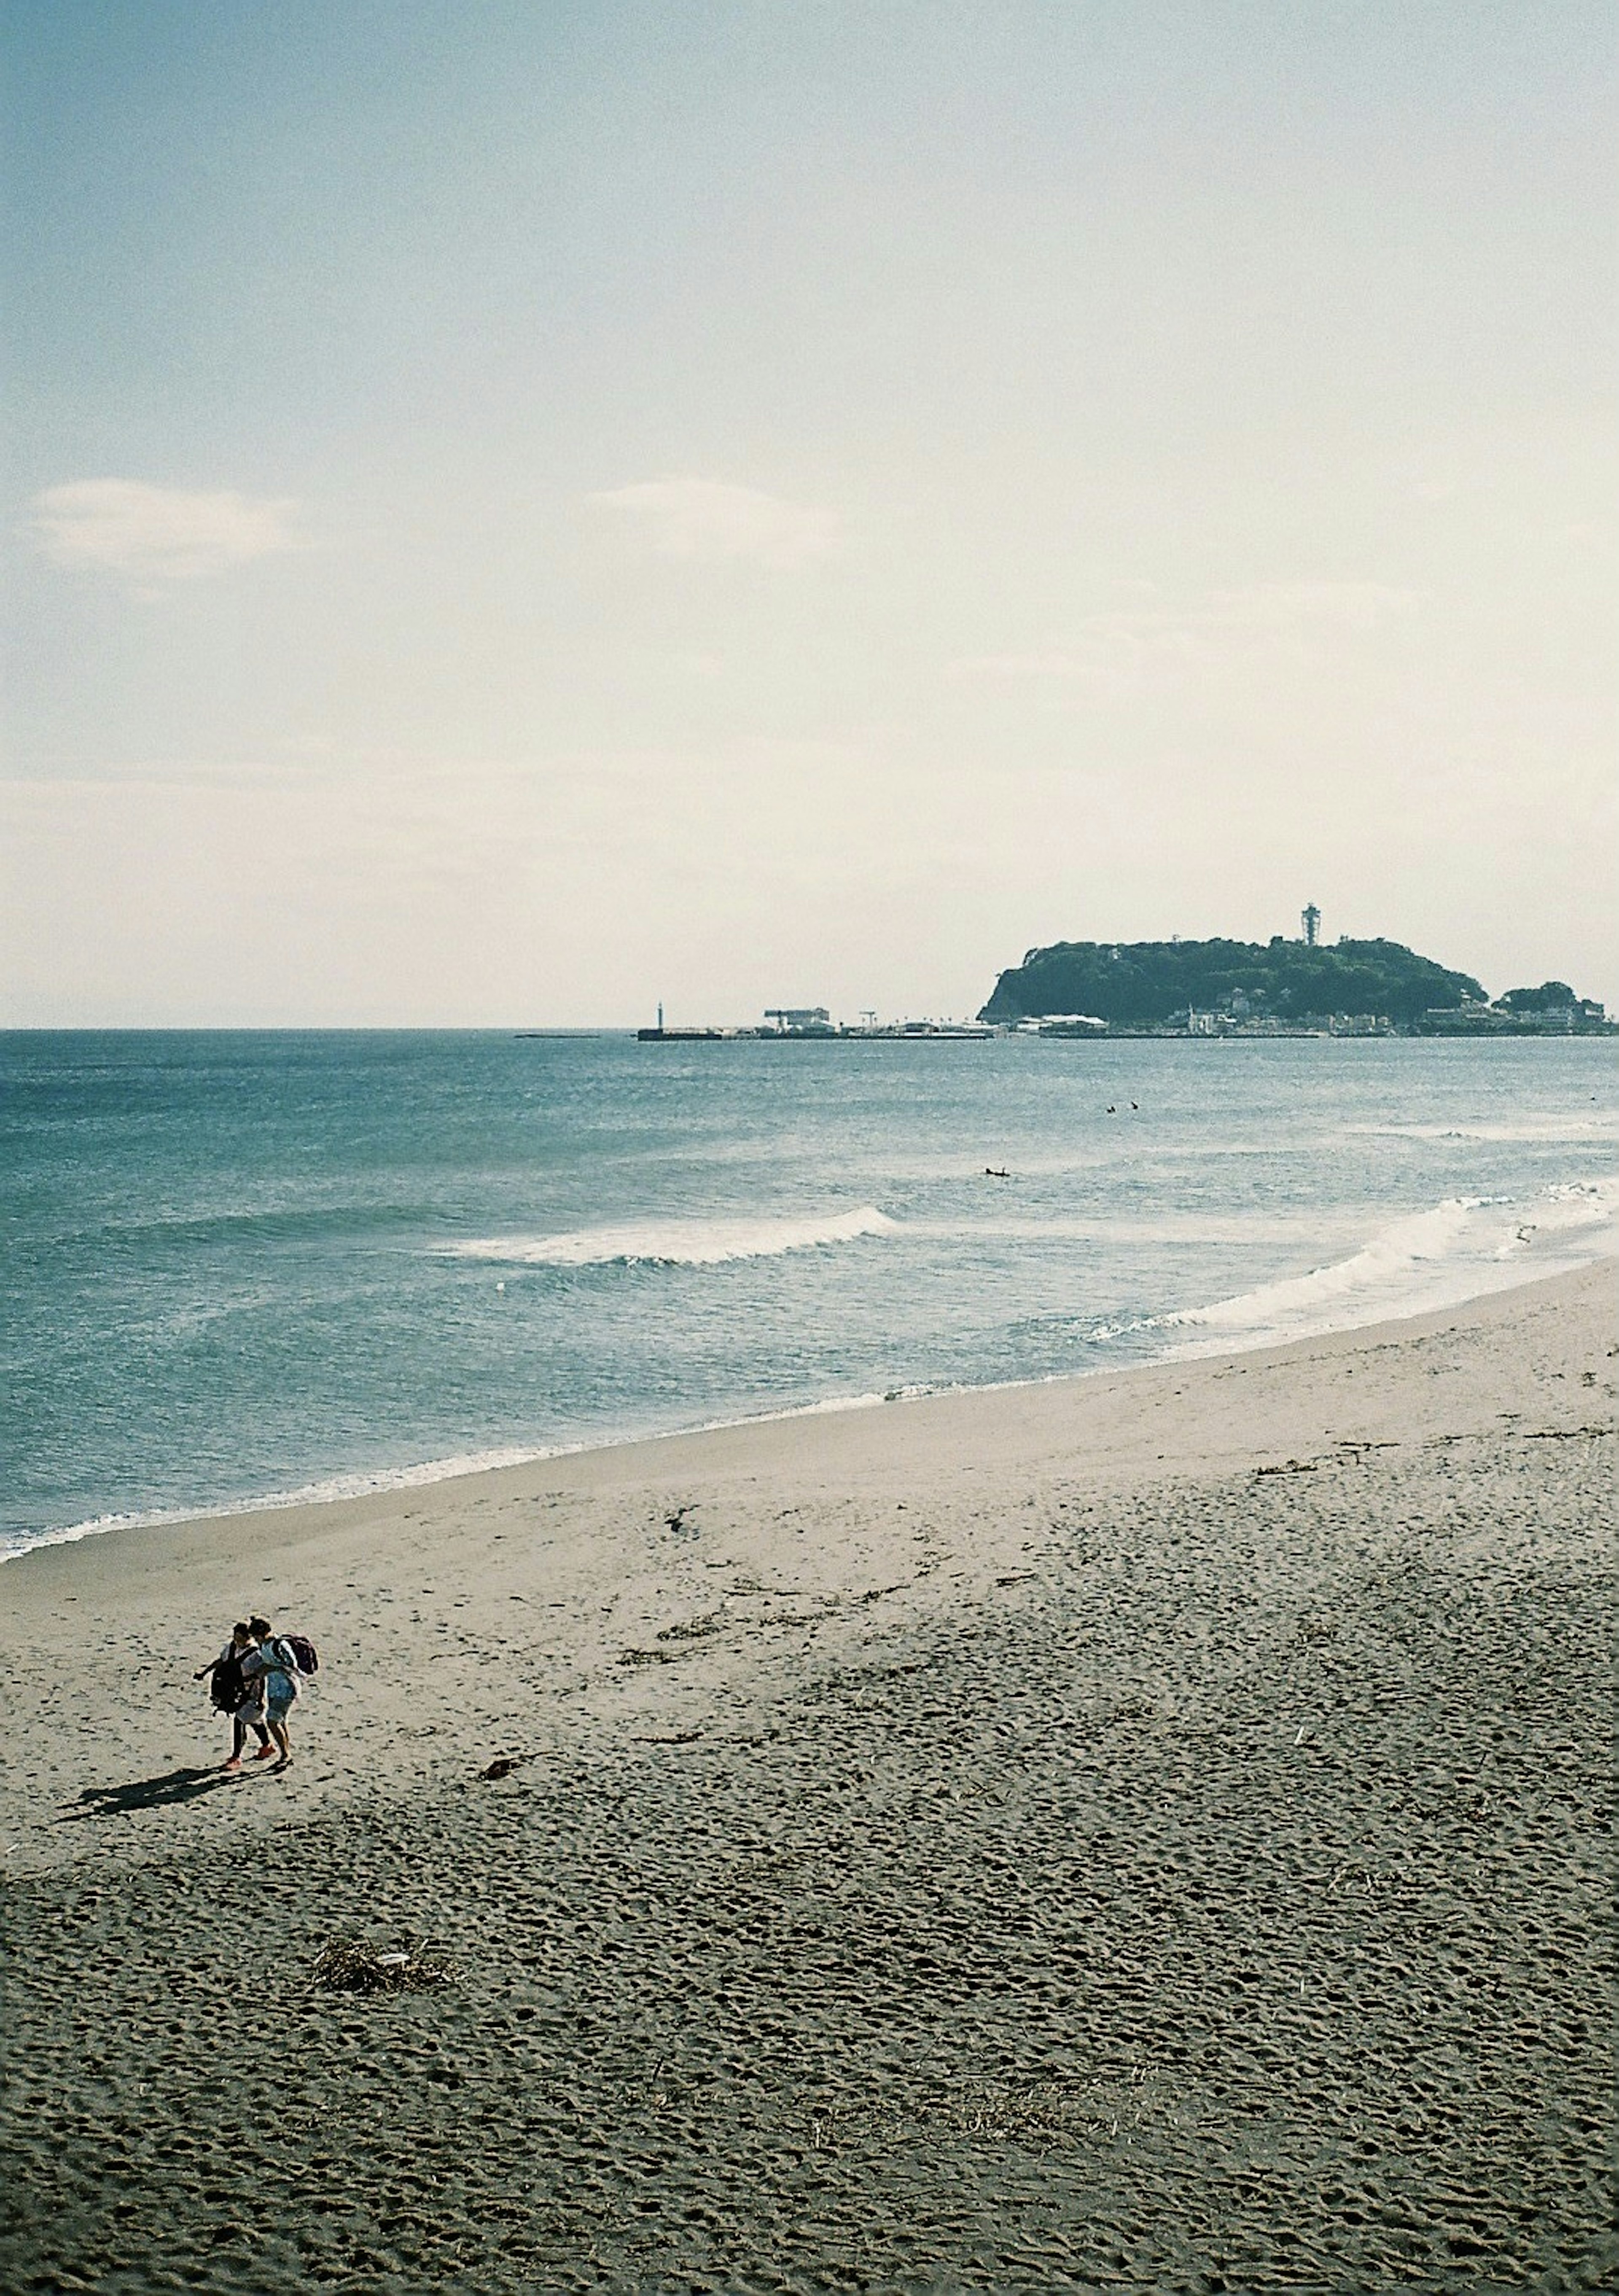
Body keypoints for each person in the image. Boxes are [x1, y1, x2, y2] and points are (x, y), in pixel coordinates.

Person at [196, 1622, 275, 1771]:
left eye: (240, 1638)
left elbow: (262, 1677)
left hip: (252, 1692)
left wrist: (261, 1699)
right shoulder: (231, 1648)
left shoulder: (256, 1654)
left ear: (248, 1637)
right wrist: (205, 1673)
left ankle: (236, 1757)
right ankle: (267, 1746)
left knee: (241, 1720)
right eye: (235, 1637)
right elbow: (221, 1662)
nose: (237, 1641)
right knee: (252, 1720)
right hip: (234, 1690)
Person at [241, 1614, 299, 1772]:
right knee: (280, 1721)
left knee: (272, 1721)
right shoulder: (264, 1646)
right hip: (274, 1687)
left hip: (286, 1687)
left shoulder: (280, 1645)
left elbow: (293, 1666)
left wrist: (271, 1668)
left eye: (256, 1637)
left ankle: (286, 1755)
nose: (255, 1640)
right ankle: (286, 1754)